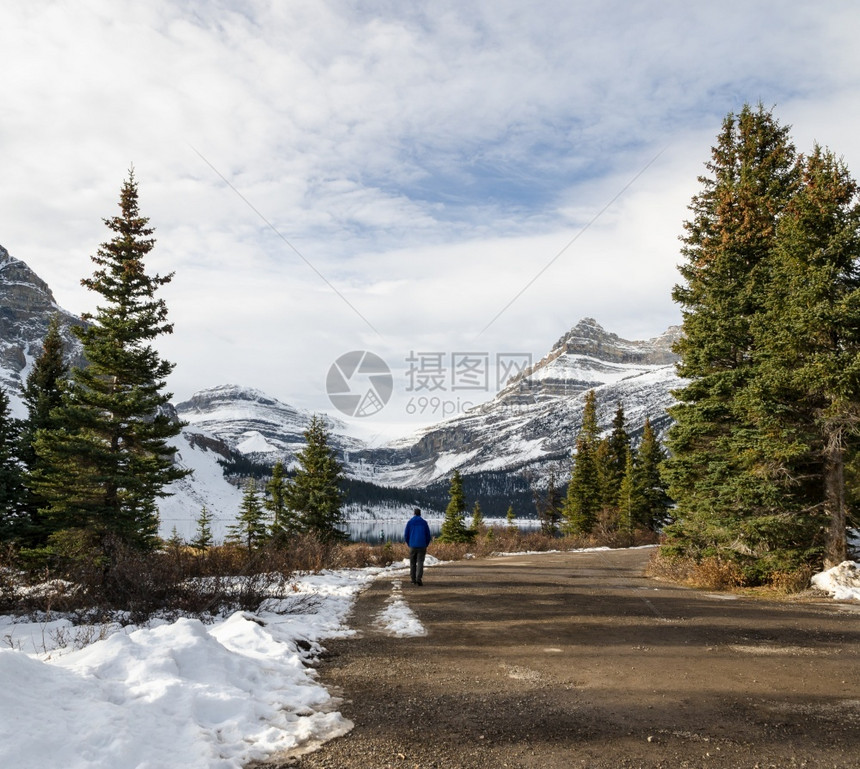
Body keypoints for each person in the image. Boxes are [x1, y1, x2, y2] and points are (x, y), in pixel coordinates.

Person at [404, 507, 432, 585]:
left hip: (412, 545)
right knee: (420, 562)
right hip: (422, 545)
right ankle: (418, 578)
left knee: (412, 562)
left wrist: (409, 543)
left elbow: (406, 535)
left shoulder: (410, 522)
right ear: (420, 514)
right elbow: (428, 535)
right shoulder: (424, 523)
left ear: (414, 513)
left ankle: (413, 579)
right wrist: (426, 544)